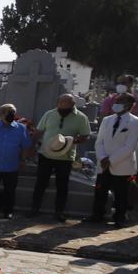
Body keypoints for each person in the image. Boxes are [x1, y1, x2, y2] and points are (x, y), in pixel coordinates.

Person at [28, 93, 92, 222]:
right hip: (46, 154)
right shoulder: (49, 114)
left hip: (65, 156)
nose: (62, 106)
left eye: (65, 104)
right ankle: (34, 208)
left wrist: (73, 141)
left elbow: (86, 136)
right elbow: (38, 132)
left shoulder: (81, 118)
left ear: (72, 105)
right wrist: (31, 147)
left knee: (62, 185)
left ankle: (59, 211)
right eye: (60, 104)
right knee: (41, 183)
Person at [86, 92, 138, 226]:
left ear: (129, 105)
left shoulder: (136, 122)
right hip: (103, 162)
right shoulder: (107, 120)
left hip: (122, 164)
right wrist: (102, 157)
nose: (116, 104)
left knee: (121, 193)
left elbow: (130, 146)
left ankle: (119, 217)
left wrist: (110, 160)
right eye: (116, 101)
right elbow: (99, 141)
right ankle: (97, 214)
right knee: (100, 190)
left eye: (120, 102)